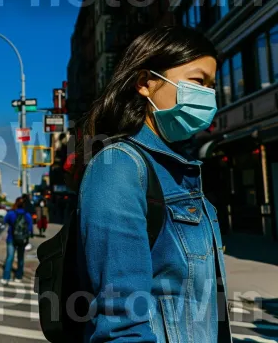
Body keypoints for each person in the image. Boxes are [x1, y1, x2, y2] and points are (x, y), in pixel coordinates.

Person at [74, 26, 231, 342]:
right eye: (198, 82)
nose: (208, 96)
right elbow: (122, 323)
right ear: (146, 83)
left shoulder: (180, 169)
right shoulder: (119, 166)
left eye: (212, 86)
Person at [1, 197, 33, 285]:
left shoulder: (11, 213)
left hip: (11, 238)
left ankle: (6, 278)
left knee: (9, 257)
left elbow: (5, 220)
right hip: (22, 239)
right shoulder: (27, 215)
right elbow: (30, 228)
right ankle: (18, 276)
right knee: (20, 258)